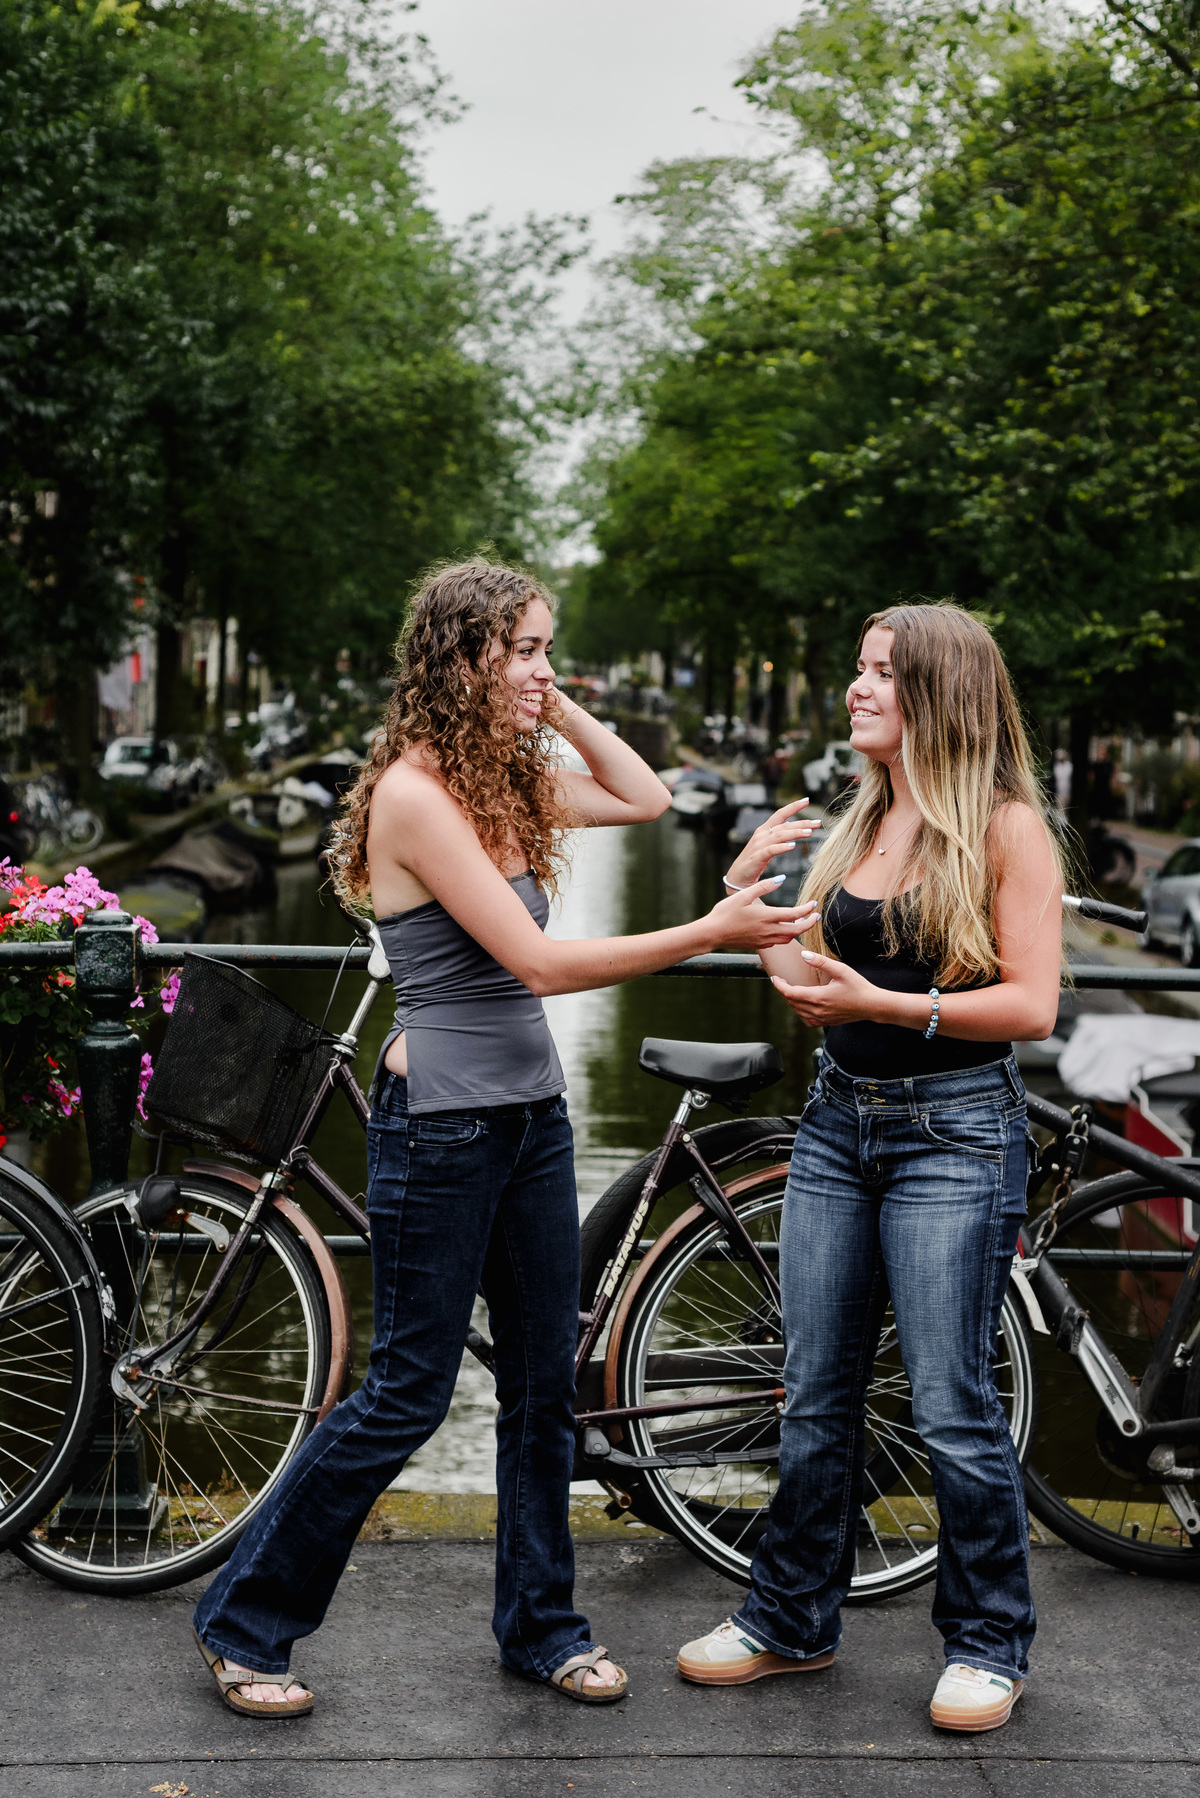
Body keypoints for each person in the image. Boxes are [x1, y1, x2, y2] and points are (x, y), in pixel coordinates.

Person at [191, 558, 818, 1718]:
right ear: (463, 656)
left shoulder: (506, 776)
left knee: (543, 1386)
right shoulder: (417, 796)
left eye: (546, 648)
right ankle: (245, 1620)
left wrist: (557, 702)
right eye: (524, 650)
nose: (541, 668)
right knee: (407, 1392)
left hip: (530, 1118)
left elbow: (646, 798)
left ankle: (541, 1629)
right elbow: (535, 965)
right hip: (442, 1129)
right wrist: (711, 931)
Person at [678, 602, 1061, 1735]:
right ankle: (791, 1619)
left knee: (950, 1404)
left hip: (955, 1131)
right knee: (812, 1391)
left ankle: (990, 1642)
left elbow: (1032, 1005)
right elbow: (809, 988)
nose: (857, 689)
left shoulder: (1005, 829)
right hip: (839, 1122)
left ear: (939, 692)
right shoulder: (866, 818)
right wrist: (744, 909)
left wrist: (887, 1002)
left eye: (881, 673)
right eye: (857, 669)